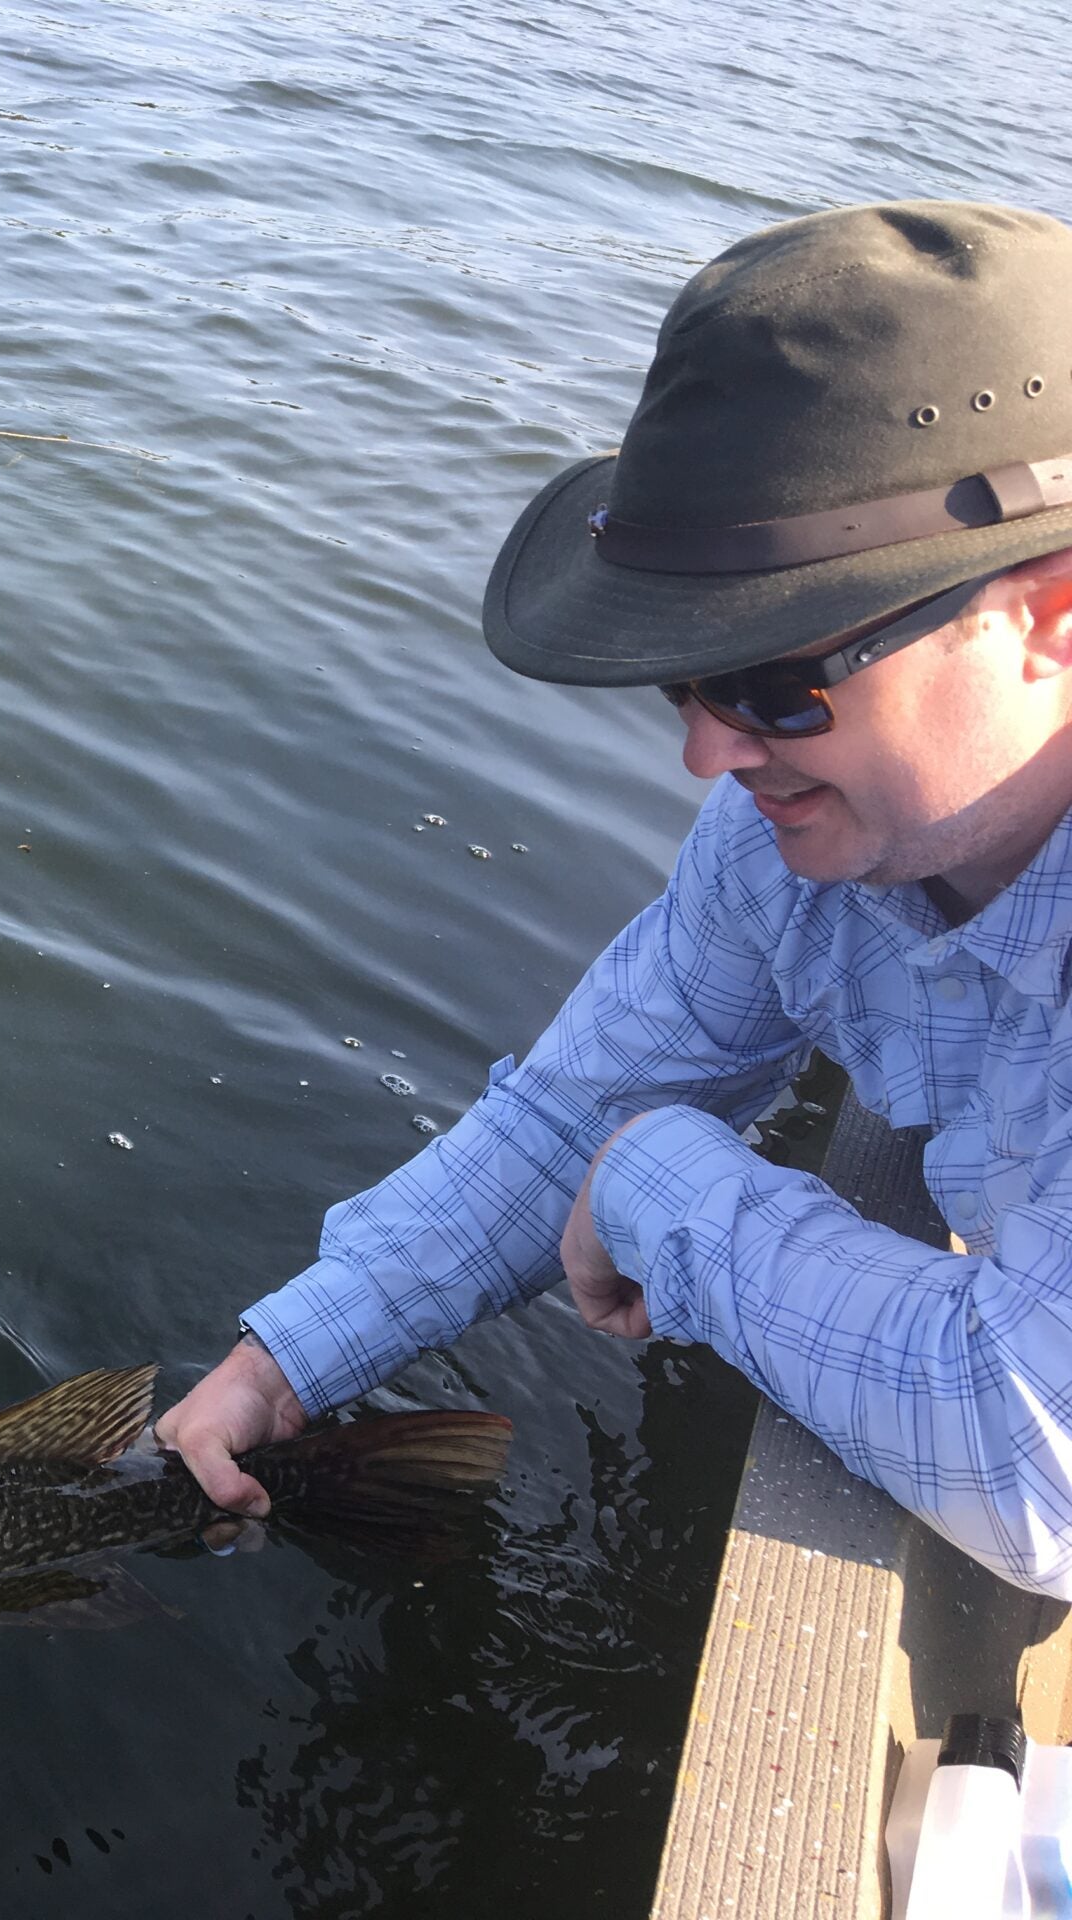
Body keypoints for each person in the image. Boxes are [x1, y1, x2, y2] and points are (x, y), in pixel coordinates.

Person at [153, 199, 1072, 1599]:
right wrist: (281, 1362)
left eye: (777, 686)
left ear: (1050, 619)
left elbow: (1041, 1464)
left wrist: (658, 1184)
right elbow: (578, 1102)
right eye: (683, 682)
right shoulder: (787, 846)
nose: (710, 754)